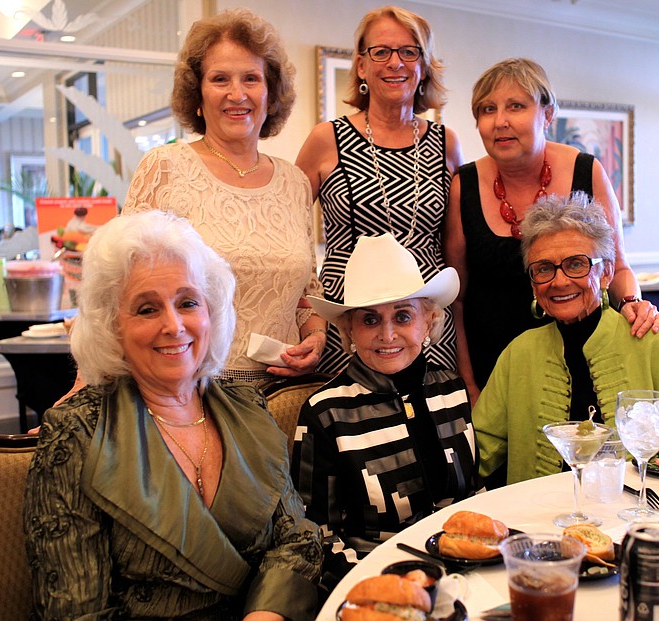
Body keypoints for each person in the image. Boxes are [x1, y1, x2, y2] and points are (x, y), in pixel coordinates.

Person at [24, 211, 322, 620]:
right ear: (112, 327)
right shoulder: (77, 432)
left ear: (210, 312)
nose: (174, 325)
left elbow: (297, 539)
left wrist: (266, 613)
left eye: (187, 302)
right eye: (147, 309)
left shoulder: (246, 406)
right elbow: (75, 612)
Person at [444, 58, 659, 401]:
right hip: (493, 365)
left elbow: (617, 267)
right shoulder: (464, 185)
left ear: (547, 114)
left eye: (516, 106)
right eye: (488, 109)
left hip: (584, 357)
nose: (500, 121)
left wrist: (634, 303)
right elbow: (455, 299)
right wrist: (469, 384)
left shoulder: (586, 171)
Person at [123, 8, 326, 383]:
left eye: (251, 78)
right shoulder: (164, 167)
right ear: (197, 93)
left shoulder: (295, 182)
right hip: (191, 391)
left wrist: (316, 336)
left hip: (284, 394)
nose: (237, 94)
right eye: (220, 79)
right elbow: (122, 288)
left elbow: (306, 292)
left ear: (270, 94)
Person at [472, 194, 659, 486]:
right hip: (540, 518)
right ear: (533, 283)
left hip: (635, 517)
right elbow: (478, 450)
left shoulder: (653, 342)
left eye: (577, 264)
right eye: (543, 268)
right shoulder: (518, 353)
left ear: (606, 272)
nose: (559, 281)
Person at [292, 233, 477, 591]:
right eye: (370, 320)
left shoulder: (450, 390)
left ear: (428, 322)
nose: (387, 334)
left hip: (463, 573)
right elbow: (315, 537)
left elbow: (471, 495)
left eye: (403, 316)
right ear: (349, 330)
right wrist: (380, 586)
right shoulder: (325, 412)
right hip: (375, 585)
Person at [297, 5, 463, 375]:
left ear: (423, 66)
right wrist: (308, 321)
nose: (395, 62)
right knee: (357, 427)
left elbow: (456, 249)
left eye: (409, 51)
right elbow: (288, 238)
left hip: (427, 329)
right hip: (352, 323)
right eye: (381, 51)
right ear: (361, 65)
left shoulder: (445, 143)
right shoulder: (327, 140)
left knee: (433, 424)